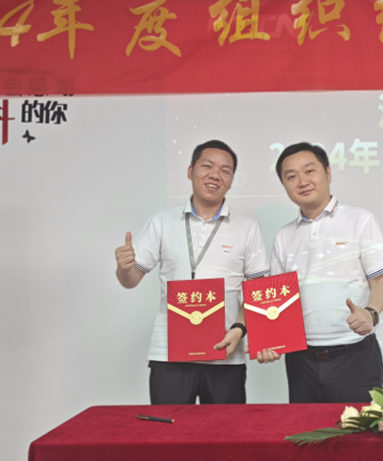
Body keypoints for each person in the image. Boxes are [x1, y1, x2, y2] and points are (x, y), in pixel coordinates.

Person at [115, 140, 268, 404]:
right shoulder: (162, 221)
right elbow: (130, 280)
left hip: (225, 352)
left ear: (232, 180)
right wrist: (123, 268)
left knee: (225, 430)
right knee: (169, 429)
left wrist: (239, 329)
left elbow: (257, 291)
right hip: (169, 354)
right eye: (207, 166)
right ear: (190, 171)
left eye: (225, 170)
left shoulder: (248, 225)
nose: (215, 175)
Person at [257, 142, 383, 403]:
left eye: (309, 171)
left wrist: (371, 313)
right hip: (301, 360)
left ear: (328, 173)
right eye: (291, 176)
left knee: (358, 428)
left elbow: (381, 280)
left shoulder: (360, 219)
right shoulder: (284, 235)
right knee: (304, 428)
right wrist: (270, 340)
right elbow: (276, 298)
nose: (302, 181)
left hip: (355, 355)